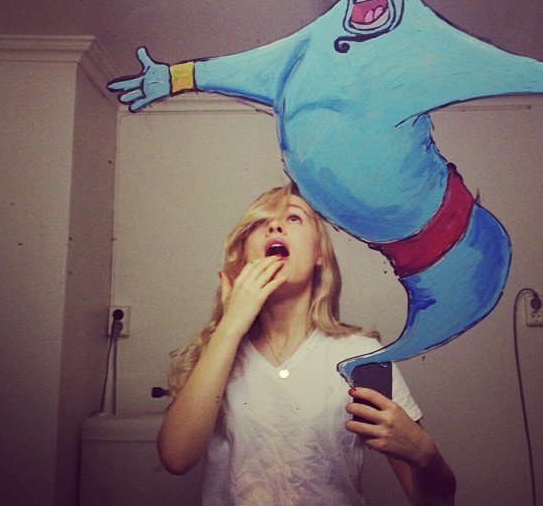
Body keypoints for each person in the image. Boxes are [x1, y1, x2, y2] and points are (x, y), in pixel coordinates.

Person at [157, 183, 456, 505]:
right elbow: (176, 458)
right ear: (244, 256)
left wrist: (425, 454)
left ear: (319, 255)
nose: (274, 226)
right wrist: (230, 326)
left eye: (294, 218)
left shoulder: (362, 356)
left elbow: (434, 502)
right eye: (261, 222)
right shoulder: (218, 352)